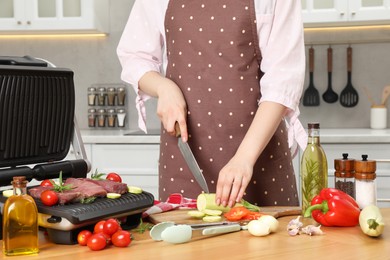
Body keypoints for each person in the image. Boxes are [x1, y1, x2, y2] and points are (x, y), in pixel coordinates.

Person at [117, 0, 307, 208]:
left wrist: (244, 158)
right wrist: (163, 87)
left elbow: (283, 80)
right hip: (185, 157)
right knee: (185, 235)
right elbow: (135, 57)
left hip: (258, 157)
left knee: (267, 237)